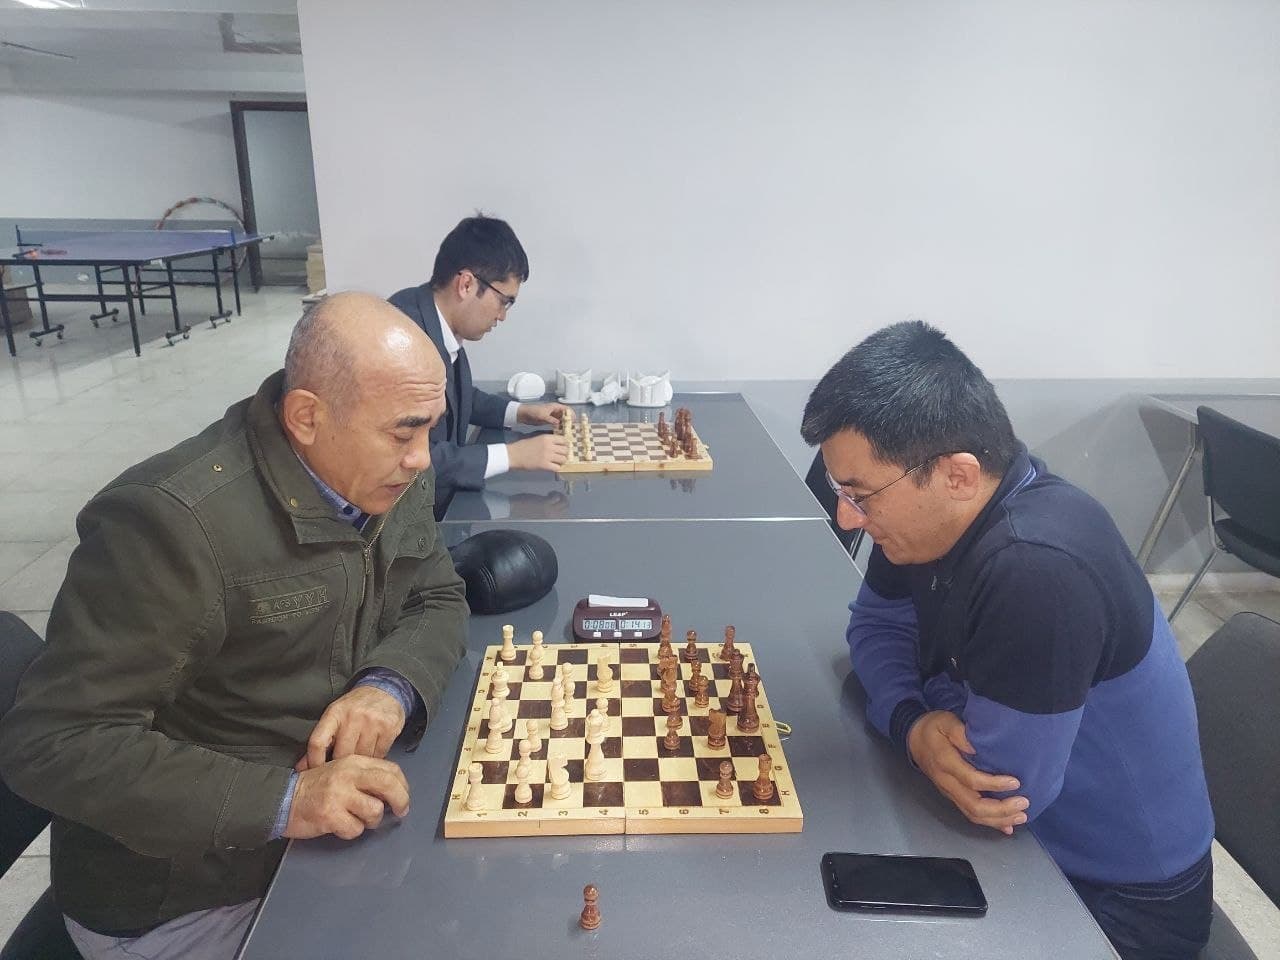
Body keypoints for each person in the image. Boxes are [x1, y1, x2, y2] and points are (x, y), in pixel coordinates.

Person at [0, 292, 469, 960]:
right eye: (403, 432)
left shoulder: (387, 471)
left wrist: (387, 686)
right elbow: (53, 745)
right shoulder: (171, 526)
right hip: (185, 895)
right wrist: (288, 800)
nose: (423, 457)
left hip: (310, 845)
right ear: (307, 417)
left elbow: (438, 595)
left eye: (429, 429)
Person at [801, 321, 1214, 960]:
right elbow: (875, 629)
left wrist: (922, 715)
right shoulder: (924, 519)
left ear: (958, 475)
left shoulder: (1036, 569)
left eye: (860, 495)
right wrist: (913, 721)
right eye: (841, 491)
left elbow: (994, 788)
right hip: (1026, 851)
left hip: (1114, 901)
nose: (846, 517)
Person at [389, 215, 569, 518]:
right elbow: (411, 457)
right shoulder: (404, 340)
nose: (502, 316)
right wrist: (513, 455)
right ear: (467, 284)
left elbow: (458, 396)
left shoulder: (431, 318)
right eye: (504, 301)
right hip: (404, 523)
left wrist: (522, 413)